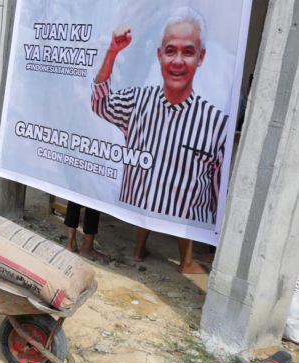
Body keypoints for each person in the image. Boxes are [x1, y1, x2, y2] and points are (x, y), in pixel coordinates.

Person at [92, 7, 227, 273]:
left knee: (183, 200)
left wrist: (217, 236)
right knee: (146, 197)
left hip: (186, 218)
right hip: (138, 204)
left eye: (187, 52)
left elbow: (215, 190)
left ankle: (186, 261)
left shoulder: (215, 123)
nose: (177, 60)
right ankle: (139, 249)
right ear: (159, 55)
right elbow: (101, 103)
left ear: (201, 57)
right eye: (170, 50)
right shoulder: (137, 101)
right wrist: (111, 53)